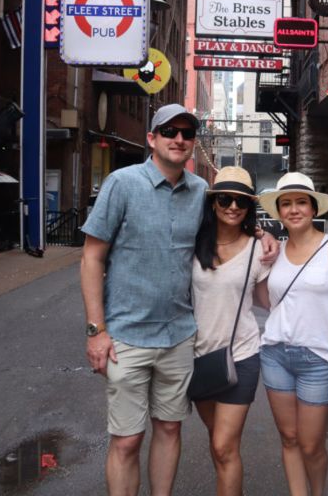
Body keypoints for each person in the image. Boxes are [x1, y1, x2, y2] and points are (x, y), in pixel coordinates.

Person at [79, 104, 277, 496]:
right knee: (127, 440)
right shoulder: (122, 184)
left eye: (187, 133)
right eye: (169, 131)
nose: (179, 139)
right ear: (152, 138)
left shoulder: (203, 193)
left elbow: (230, 221)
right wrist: (95, 330)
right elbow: (92, 257)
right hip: (126, 338)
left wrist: (261, 235)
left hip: (180, 340)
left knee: (169, 428)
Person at [256, 172, 328, 496]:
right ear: (278, 211)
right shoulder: (272, 250)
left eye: (301, 202)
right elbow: (266, 299)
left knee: (311, 444)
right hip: (276, 352)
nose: (294, 210)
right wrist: (259, 231)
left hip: (319, 357)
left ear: (313, 208)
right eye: (286, 204)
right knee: (289, 438)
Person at [191, 166, 270, 496]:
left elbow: (271, 301)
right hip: (198, 359)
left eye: (241, 201)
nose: (233, 206)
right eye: (225, 198)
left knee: (224, 445)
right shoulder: (192, 245)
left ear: (249, 207)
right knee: (218, 442)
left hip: (242, 357)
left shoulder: (259, 250)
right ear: (213, 203)